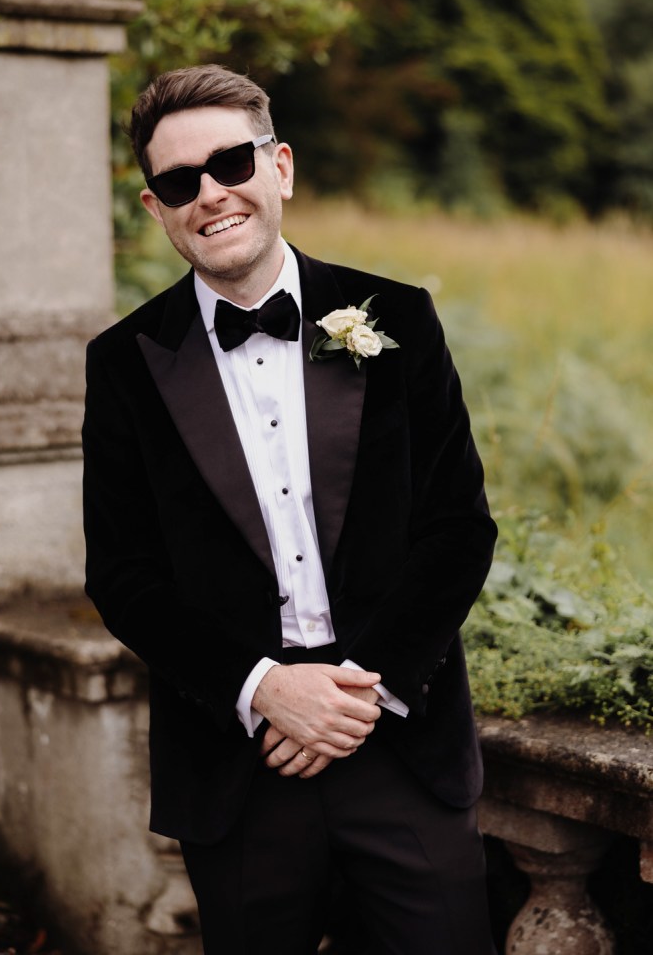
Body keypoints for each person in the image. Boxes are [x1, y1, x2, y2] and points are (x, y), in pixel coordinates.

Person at [82, 64, 498, 955]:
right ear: (155, 209)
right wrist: (266, 689)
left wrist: (361, 689)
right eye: (178, 181)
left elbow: (457, 528)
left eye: (231, 162)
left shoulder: (400, 320)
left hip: (398, 743)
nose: (210, 194)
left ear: (280, 168)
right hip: (237, 765)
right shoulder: (123, 363)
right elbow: (123, 575)